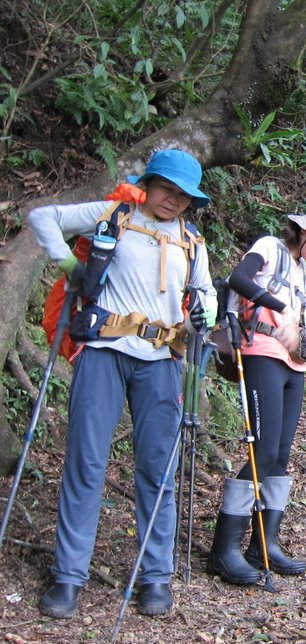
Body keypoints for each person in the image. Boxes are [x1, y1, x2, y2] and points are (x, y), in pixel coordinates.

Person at [28, 149, 217, 618]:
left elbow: (206, 301)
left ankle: (155, 577)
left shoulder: (193, 242)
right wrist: (70, 267)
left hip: (162, 361)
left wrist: (203, 316)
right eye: (166, 189)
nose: (173, 200)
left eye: (183, 195)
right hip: (104, 353)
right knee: (85, 463)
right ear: (149, 183)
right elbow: (43, 217)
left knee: (157, 471)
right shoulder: (114, 214)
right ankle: (68, 577)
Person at [206, 202, 306, 585]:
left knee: (281, 453)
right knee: (264, 449)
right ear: (304, 230)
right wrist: (280, 308)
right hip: (261, 352)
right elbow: (239, 279)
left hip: (294, 362)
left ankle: (263, 545)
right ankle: (224, 551)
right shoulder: (269, 248)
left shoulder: (303, 272)